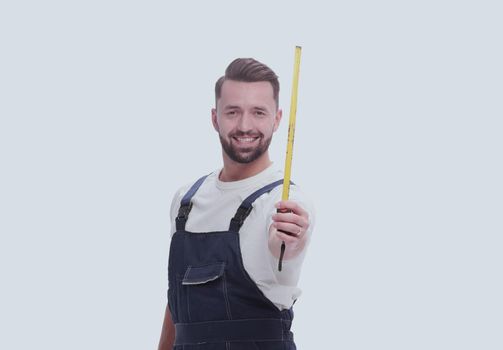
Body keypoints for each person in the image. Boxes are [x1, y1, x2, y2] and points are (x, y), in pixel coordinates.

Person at [158, 58, 315, 350]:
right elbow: (176, 307)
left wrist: (290, 240)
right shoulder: (185, 202)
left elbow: (284, 253)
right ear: (215, 118)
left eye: (258, 112)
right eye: (233, 112)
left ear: (277, 119)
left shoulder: (283, 203)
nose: (245, 126)